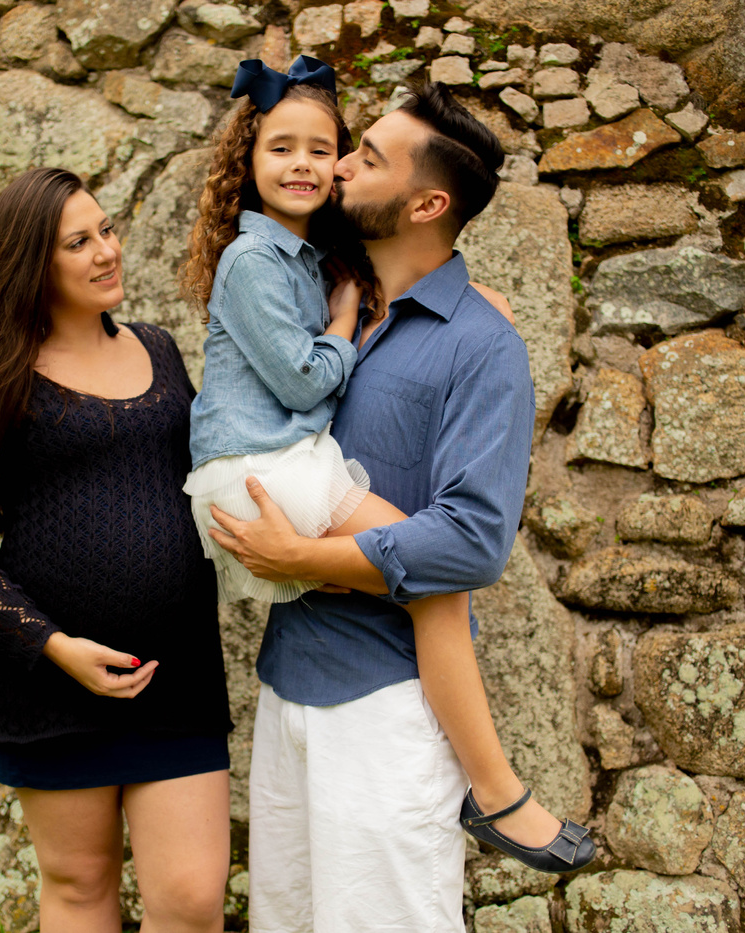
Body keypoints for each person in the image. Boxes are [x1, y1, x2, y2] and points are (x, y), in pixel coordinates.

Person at [203, 82, 596, 932]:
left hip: (384, 710)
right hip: (285, 685)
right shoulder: (317, 299)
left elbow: (474, 542)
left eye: (368, 158)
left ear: (427, 204)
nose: (339, 165)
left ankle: (499, 794)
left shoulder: (481, 344)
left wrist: (305, 558)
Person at [0, 167, 232, 933]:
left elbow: (206, 476)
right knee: (81, 884)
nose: (107, 251)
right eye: (78, 242)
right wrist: (55, 647)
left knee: (192, 898)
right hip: (53, 683)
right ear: (32, 262)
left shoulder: (160, 350)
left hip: (176, 673)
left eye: (107, 230)